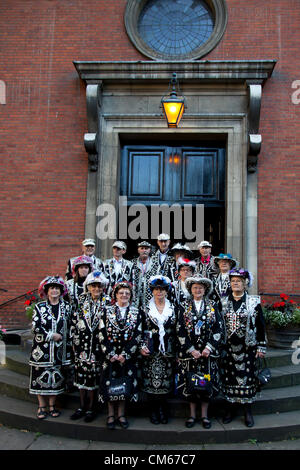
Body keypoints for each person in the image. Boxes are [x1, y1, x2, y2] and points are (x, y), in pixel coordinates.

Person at [220, 268, 267, 427]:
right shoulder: (224, 301)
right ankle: (230, 410)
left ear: (245, 284)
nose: (235, 283)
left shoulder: (254, 301)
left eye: (238, 281)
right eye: (233, 281)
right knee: (230, 379)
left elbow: (261, 325)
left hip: (248, 348)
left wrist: (261, 347)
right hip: (229, 348)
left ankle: (247, 412)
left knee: (247, 379)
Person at [176, 276, 223, 429]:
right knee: (191, 384)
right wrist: (191, 349)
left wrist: (208, 347)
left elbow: (218, 328)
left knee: (205, 384)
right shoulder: (183, 306)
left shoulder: (212, 305)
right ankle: (191, 415)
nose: (198, 290)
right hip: (190, 355)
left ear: (205, 290)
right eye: (195, 288)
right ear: (191, 290)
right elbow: (180, 329)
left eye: (201, 288)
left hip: (206, 355)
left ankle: (204, 416)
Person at [98, 281, 142, 430]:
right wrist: (110, 353)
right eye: (121, 293)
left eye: (127, 293)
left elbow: (138, 334)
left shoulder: (136, 312)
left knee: (124, 384)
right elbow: (101, 333)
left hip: (127, 357)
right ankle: (111, 414)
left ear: (131, 296)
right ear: (115, 295)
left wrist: (125, 354)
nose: (124, 295)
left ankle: (121, 414)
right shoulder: (106, 311)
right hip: (110, 356)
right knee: (110, 383)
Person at [29, 276, 72, 419]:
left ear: (61, 291)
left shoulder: (67, 307)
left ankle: (52, 405)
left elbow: (72, 325)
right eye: (52, 288)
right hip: (42, 351)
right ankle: (42, 406)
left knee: (57, 380)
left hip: (60, 351)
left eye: (57, 288)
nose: (54, 290)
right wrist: (51, 335)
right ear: (46, 291)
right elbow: (35, 327)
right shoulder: (39, 307)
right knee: (40, 378)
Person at [70, 271, 109, 423]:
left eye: (99, 286)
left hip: (98, 346)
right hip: (82, 345)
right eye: (93, 286)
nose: (96, 289)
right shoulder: (81, 300)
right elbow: (75, 321)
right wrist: (74, 342)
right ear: (88, 286)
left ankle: (92, 408)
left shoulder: (107, 301)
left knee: (94, 377)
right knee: (81, 375)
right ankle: (81, 406)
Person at [139, 275, 177, 425]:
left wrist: (177, 351)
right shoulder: (145, 309)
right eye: (156, 289)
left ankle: (162, 410)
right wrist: (142, 346)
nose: (159, 292)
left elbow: (177, 329)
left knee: (165, 382)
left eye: (162, 289)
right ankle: (153, 411)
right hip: (151, 351)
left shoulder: (173, 308)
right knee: (151, 382)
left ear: (166, 291)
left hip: (168, 351)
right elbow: (139, 329)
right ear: (152, 291)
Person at [131, 241, 155, 309]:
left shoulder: (155, 263)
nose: (144, 250)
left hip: (149, 297)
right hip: (135, 296)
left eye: (146, 248)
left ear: (149, 250)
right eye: (142, 248)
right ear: (138, 250)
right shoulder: (132, 263)